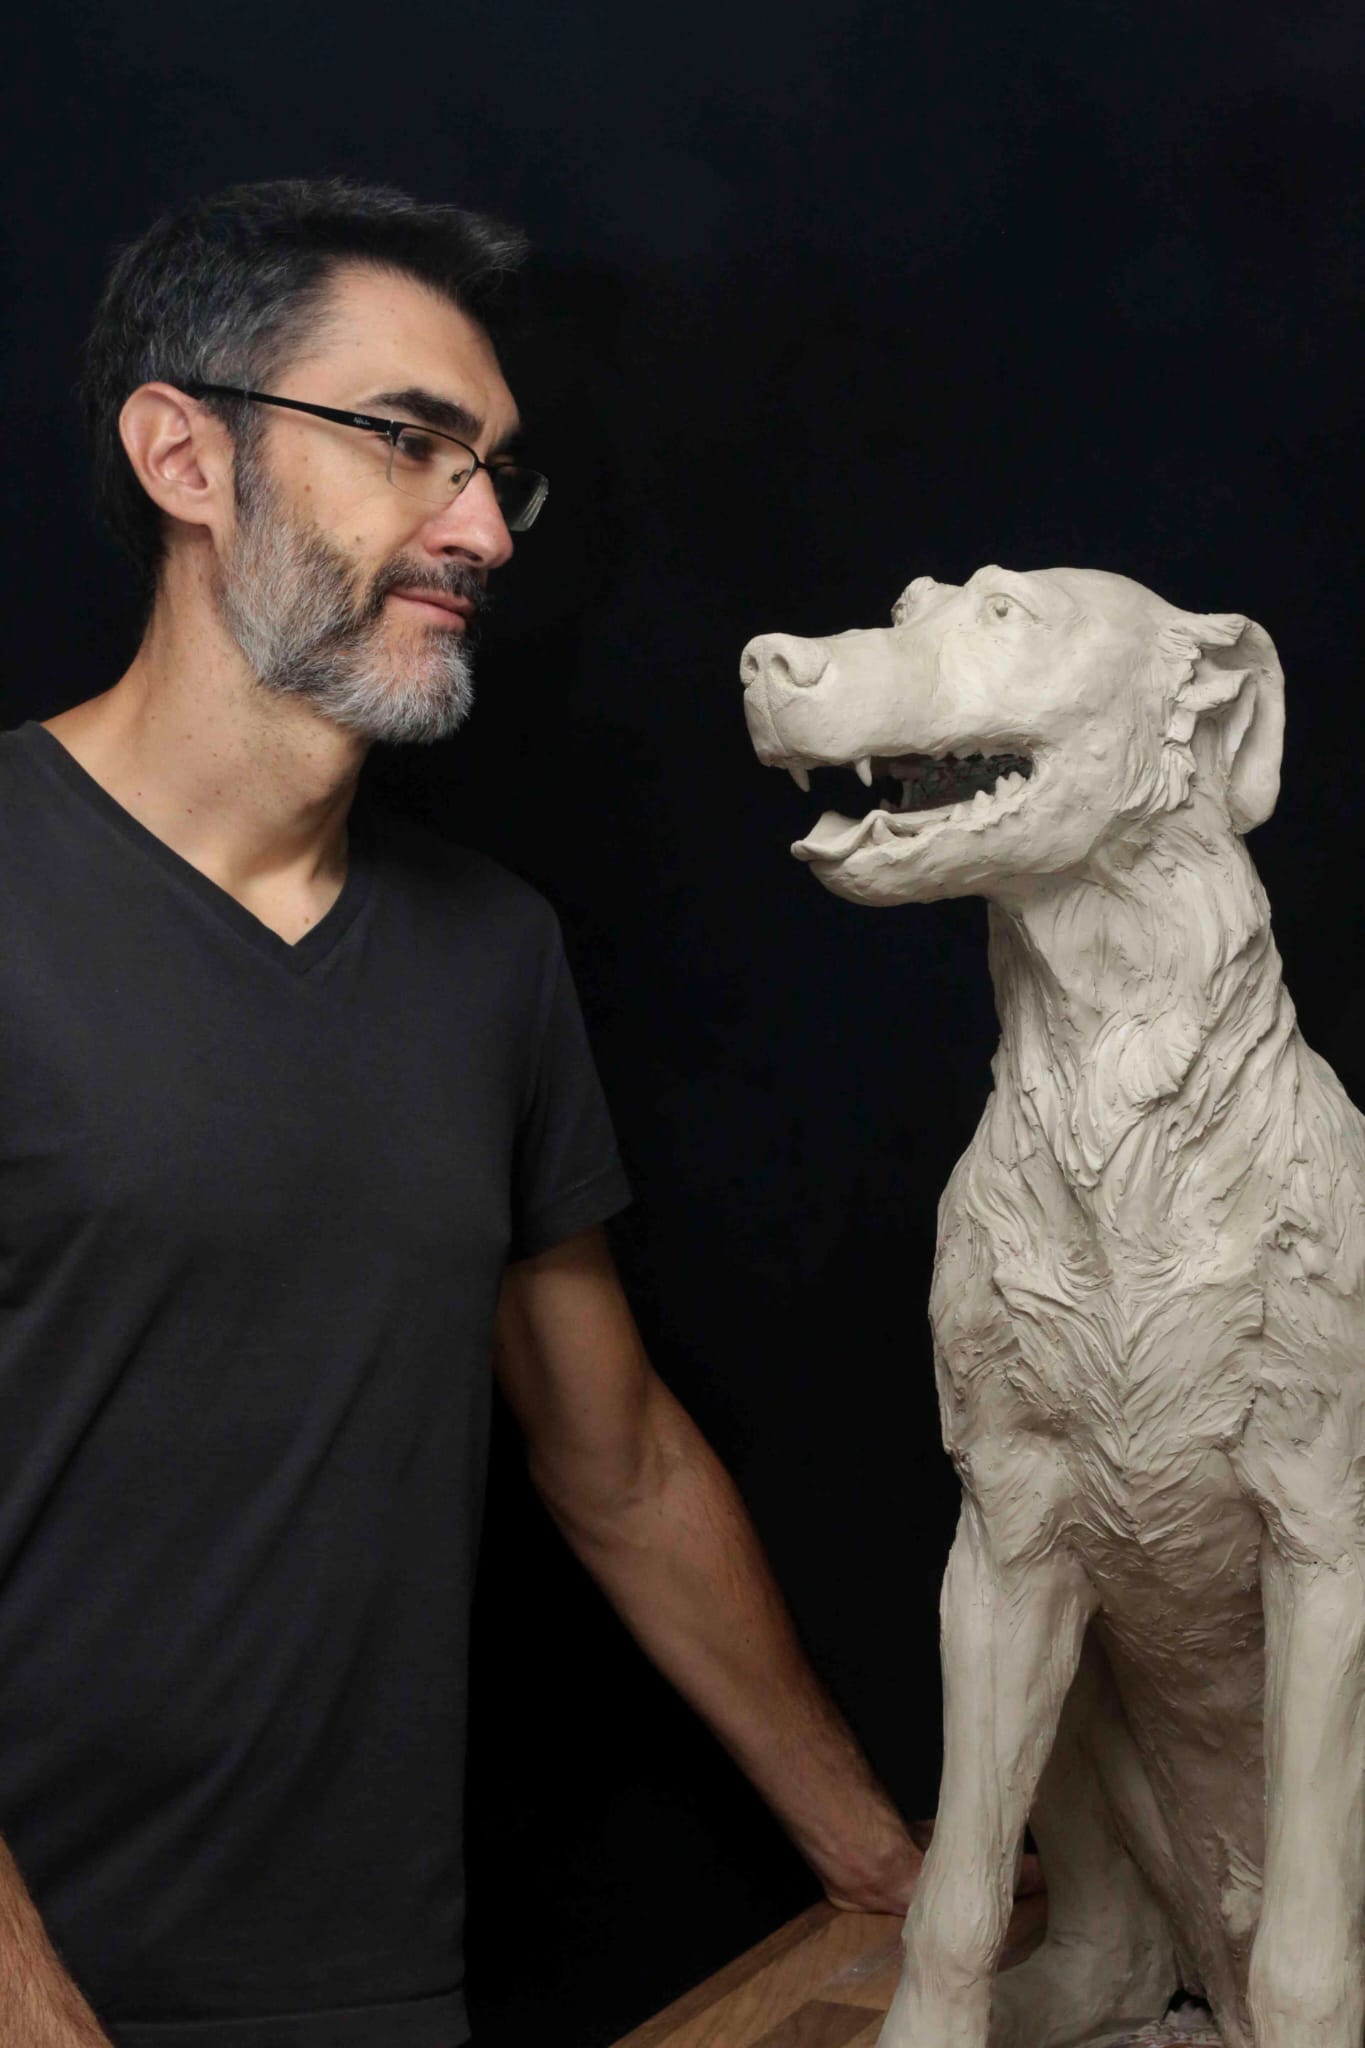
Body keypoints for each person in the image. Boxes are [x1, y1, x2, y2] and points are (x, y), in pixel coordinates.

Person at [0, 178, 931, 2048]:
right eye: (408, 444)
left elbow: (619, 1462)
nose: (484, 530)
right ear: (186, 456)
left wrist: (890, 1869)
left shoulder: (487, 955)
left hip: (363, 1993)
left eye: (496, 470)